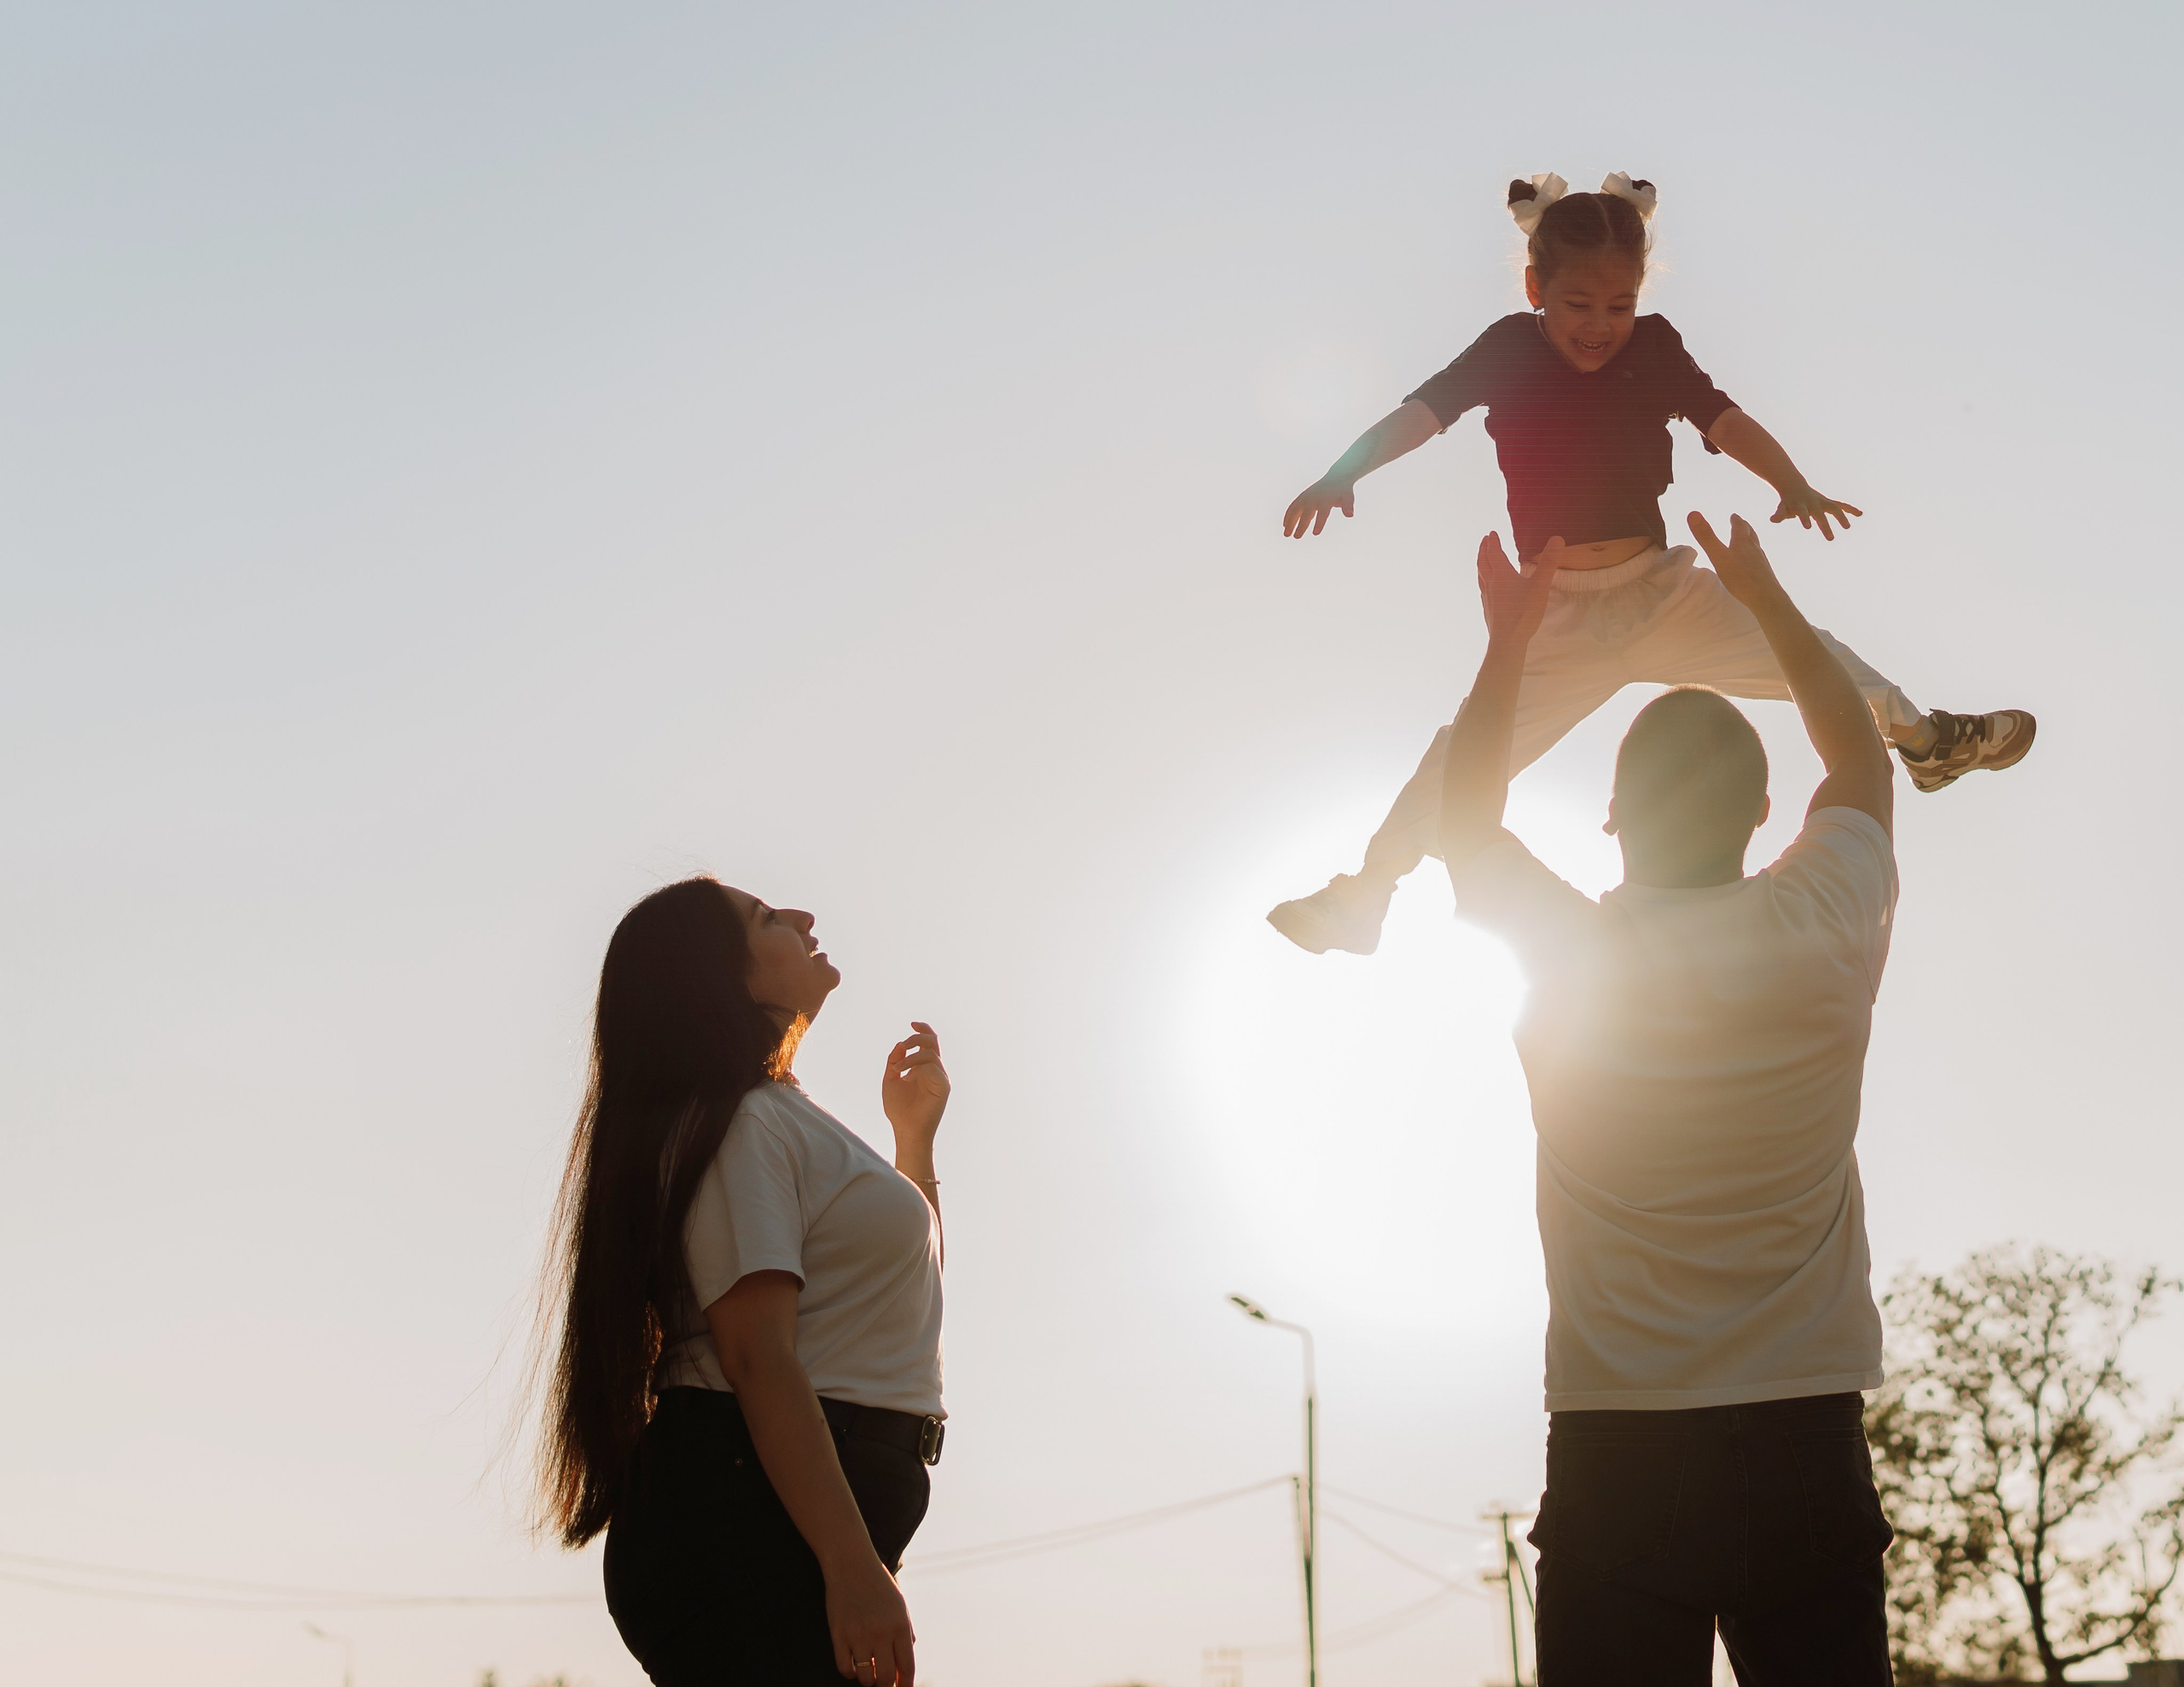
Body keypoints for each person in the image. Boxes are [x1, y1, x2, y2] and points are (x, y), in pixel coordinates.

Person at [1269, 171, 2032, 955]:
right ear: (1535, 287)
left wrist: (1792, 483)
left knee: (1813, 655)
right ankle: (1365, 894)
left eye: (1619, 306)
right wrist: (1343, 472)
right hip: (1553, 615)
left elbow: (1723, 418)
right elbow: (1421, 414)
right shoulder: (1506, 349)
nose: (1600, 327)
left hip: (1660, 592)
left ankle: (1925, 741)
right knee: (1462, 755)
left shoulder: (1656, 347)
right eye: (1578, 307)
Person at [1439, 513, 1898, 1684]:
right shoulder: (1827, 925)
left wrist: (1510, 642)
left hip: (1615, 1448)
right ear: (1761, 816)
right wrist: (1766, 603)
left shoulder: (1571, 958)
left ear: (1610, 818)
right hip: (1802, 1441)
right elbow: (1858, 761)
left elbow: (1467, 821)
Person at [536, 877, 950, 1687]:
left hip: (782, 1511)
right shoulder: (744, 1123)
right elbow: (757, 1357)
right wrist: (853, 1566)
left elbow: (897, 1313)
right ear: (727, 979)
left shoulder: (778, 1116)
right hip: (746, 1519)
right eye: (768, 918)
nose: (802, 917)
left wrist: (913, 1142)